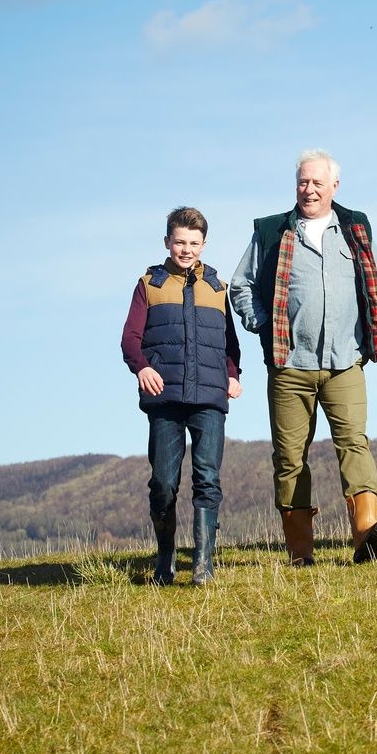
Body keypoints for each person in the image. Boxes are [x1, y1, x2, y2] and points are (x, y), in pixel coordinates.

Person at [230, 150, 377, 565]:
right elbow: (241, 285)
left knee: (354, 443)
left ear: (334, 186)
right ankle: (300, 554)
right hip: (289, 366)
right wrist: (265, 323)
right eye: (302, 182)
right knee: (290, 458)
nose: (308, 189)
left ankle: (366, 535)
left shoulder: (355, 228)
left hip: (344, 361)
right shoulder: (272, 231)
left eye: (316, 182)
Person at [120, 206, 243, 586]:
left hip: (209, 398)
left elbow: (230, 343)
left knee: (207, 479)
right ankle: (165, 557)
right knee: (163, 482)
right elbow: (130, 339)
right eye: (179, 242)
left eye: (193, 243)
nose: (186, 249)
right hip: (165, 399)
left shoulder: (218, 288)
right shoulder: (149, 285)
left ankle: (203, 565)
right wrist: (142, 367)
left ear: (204, 245)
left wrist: (233, 374)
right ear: (167, 243)